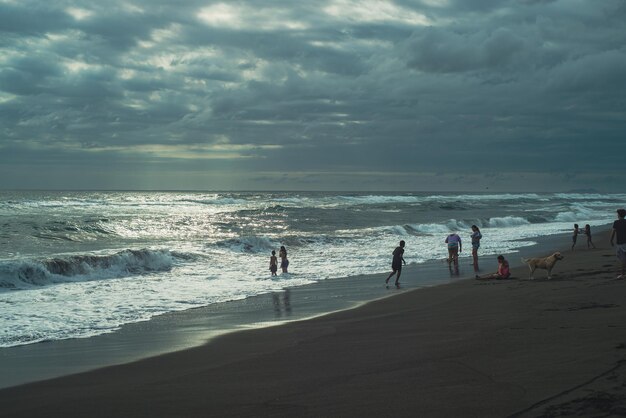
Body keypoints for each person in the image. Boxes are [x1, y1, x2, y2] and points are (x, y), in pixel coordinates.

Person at [610, 209, 626, 279]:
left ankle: (622, 274)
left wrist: (611, 240)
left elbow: (613, 232)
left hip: (621, 243)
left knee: (622, 258)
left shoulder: (616, 222)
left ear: (619, 215)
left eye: (617, 214)